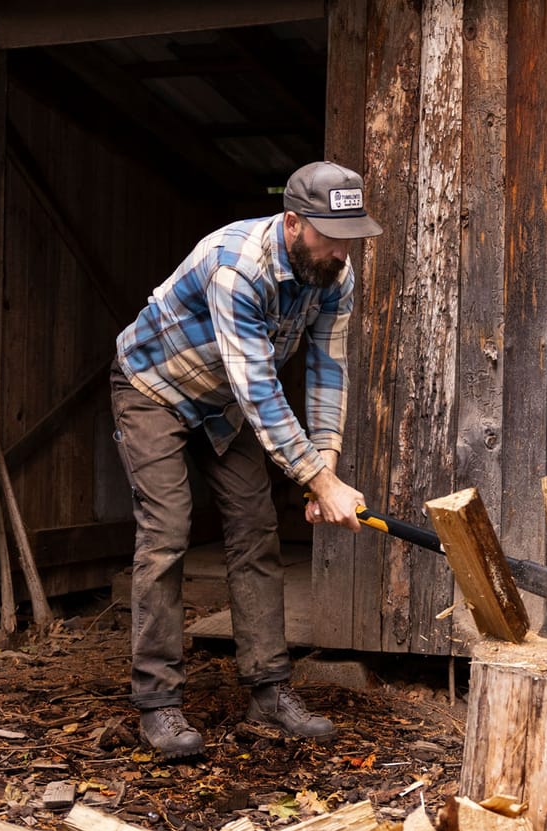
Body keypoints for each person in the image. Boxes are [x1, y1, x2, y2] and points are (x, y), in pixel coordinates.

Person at [110, 160, 383, 759]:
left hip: (223, 402)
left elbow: (327, 371)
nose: (342, 250)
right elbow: (260, 389)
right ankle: (157, 702)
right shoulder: (237, 267)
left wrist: (326, 473)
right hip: (154, 387)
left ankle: (268, 688)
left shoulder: (336, 271)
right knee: (168, 531)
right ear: (292, 223)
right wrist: (316, 478)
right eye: (330, 236)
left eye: (350, 236)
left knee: (256, 529)